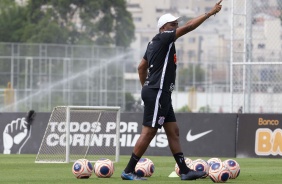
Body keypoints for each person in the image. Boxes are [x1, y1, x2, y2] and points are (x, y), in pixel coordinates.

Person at [121, 0, 223, 181]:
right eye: (173, 24)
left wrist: (145, 86)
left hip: (160, 92)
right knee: (149, 132)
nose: (176, 26)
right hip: (158, 91)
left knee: (173, 131)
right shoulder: (164, 37)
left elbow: (141, 67)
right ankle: (128, 171)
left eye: (176, 24)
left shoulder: (155, 42)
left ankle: (184, 171)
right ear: (163, 28)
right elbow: (190, 26)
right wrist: (209, 13)